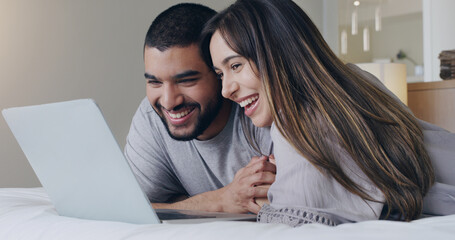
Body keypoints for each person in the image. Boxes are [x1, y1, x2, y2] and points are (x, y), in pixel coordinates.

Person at [201, 0, 455, 227]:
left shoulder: (296, 122)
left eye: (236, 65)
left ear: (279, 53)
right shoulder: (356, 82)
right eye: (221, 74)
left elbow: (294, 223)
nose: (226, 90)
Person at [124, 3, 275, 214]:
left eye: (186, 81)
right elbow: (128, 209)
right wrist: (220, 200)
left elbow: (283, 206)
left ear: (220, 73)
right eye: (154, 82)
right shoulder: (150, 118)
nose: (168, 102)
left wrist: (178, 203)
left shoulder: (260, 108)